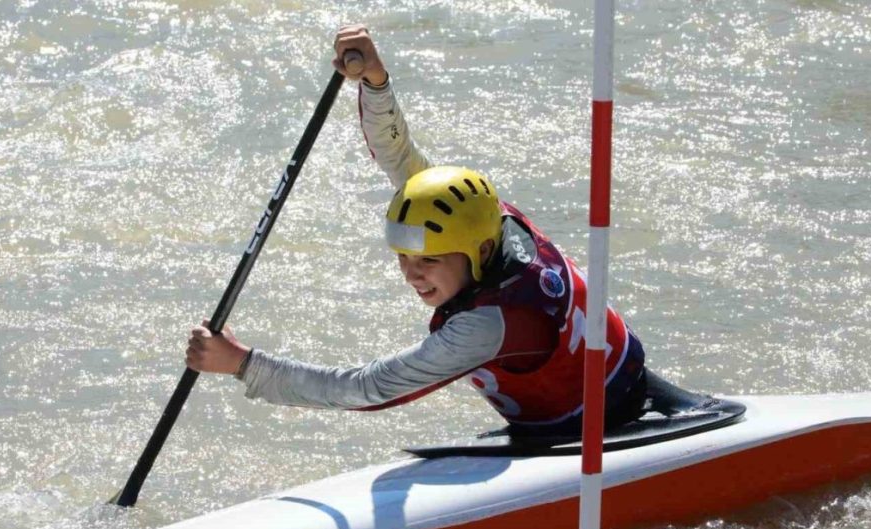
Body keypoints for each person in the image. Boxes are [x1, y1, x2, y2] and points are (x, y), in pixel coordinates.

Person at [185, 25, 646, 435]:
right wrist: (374, 82)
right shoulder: (486, 214)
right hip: (613, 364)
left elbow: (370, 388)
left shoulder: (488, 325)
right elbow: (401, 159)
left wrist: (243, 365)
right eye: (404, 258)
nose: (412, 274)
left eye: (429, 260)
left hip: (593, 423)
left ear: (480, 250)